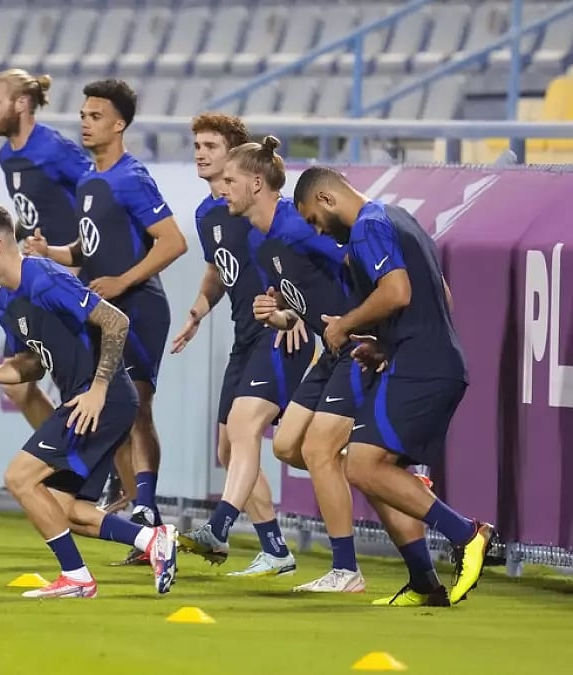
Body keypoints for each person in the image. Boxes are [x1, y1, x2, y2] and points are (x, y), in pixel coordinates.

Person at [0, 203, 177, 599]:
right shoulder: (4, 302)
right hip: (86, 401)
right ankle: (152, 542)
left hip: (102, 399)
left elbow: (115, 321)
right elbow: (31, 365)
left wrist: (98, 390)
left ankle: (77, 577)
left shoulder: (44, 278)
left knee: (19, 477)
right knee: (66, 507)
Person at [293, 165, 494, 607]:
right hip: (425, 360)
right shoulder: (399, 217)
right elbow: (441, 295)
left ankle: (468, 534)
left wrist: (345, 325)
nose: (318, 231)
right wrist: (384, 346)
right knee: (376, 470)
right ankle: (424, 582)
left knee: (362, 467)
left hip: (421, 367)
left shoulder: (368, 227)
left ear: (325, 199)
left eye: (311, 219)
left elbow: (397, 292)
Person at [26, 79, 187, 548]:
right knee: (115, 417)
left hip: (138, 307)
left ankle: (148, 510)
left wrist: (124, 281)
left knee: (135, 410)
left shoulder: (132, 178)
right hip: (103, 309)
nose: (85, 122)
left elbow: (173, 242)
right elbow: (87, 247)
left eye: (95, 117)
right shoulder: (89, 178)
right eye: (82, 115)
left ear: (119, 125)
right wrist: (51, 251)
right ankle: (140, 523)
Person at [219, 136, 370, 590]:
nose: (221, 188)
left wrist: (363, 319)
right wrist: (280, 315)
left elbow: (354, 260)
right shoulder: (260, 241)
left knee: (316, 450)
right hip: (330, 350)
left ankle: (346, 568)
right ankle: (376, 473)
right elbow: (293, 303)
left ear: (257, 183)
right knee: (286, 447)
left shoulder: (300, 227)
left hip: (358, 346)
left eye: (230, 180)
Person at [166, 115, 310, 576]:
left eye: (211, 145)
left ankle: (220, 527)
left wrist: (294, 310)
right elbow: (217, 269)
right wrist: (195, 313)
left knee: (248, 429)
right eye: (196, 145)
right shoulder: (210, 214)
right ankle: (275, 549)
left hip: (280, 330)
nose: (200, 153)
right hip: (244, 335)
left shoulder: (264, 213)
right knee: (230, 450)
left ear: (237, 158)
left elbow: (297, 262)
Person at [0, 70, 104, 491]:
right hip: (32, 277)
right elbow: (32, 211)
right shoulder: (7, 156)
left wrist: (77, 257)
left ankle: (118, 488)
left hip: (64, 280)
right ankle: (67, 466)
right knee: (19, 388)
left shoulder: (53, 149)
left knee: (97, 389)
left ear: (21, 104)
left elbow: (96, 193)